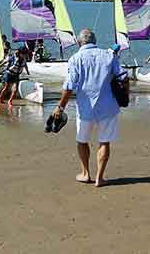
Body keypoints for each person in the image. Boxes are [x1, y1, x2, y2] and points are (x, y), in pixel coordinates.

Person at [52, 28, 122, 187]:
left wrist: (60, 108)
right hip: (108, 107)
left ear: (78, 42)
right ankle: (100, 177)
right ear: (95, 41)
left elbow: (69, 87)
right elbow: (123, 77)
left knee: (82, 141)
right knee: (105, 142)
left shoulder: (75, 59)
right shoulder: (109, 55)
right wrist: (124, 97)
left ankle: (85, 173)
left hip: (85, 109)